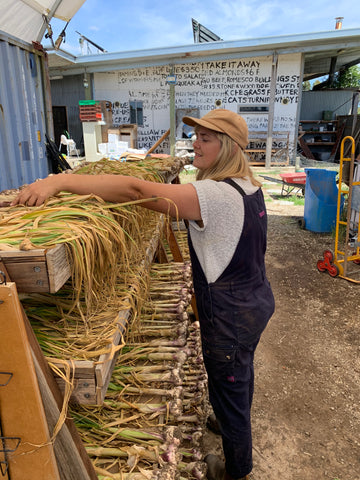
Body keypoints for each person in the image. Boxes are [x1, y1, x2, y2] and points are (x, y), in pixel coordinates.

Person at [12, 108, 275, 480]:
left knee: (230, 377)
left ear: (229, 147)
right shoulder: (248, 185)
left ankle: (237, 468)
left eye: (207, 138)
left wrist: (60, 182)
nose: (195, 143)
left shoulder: (214, 195)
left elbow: (137, 191)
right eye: (196, 135)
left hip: (231, 314)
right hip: (254, 300)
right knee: (238, 372)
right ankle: (229, 413)